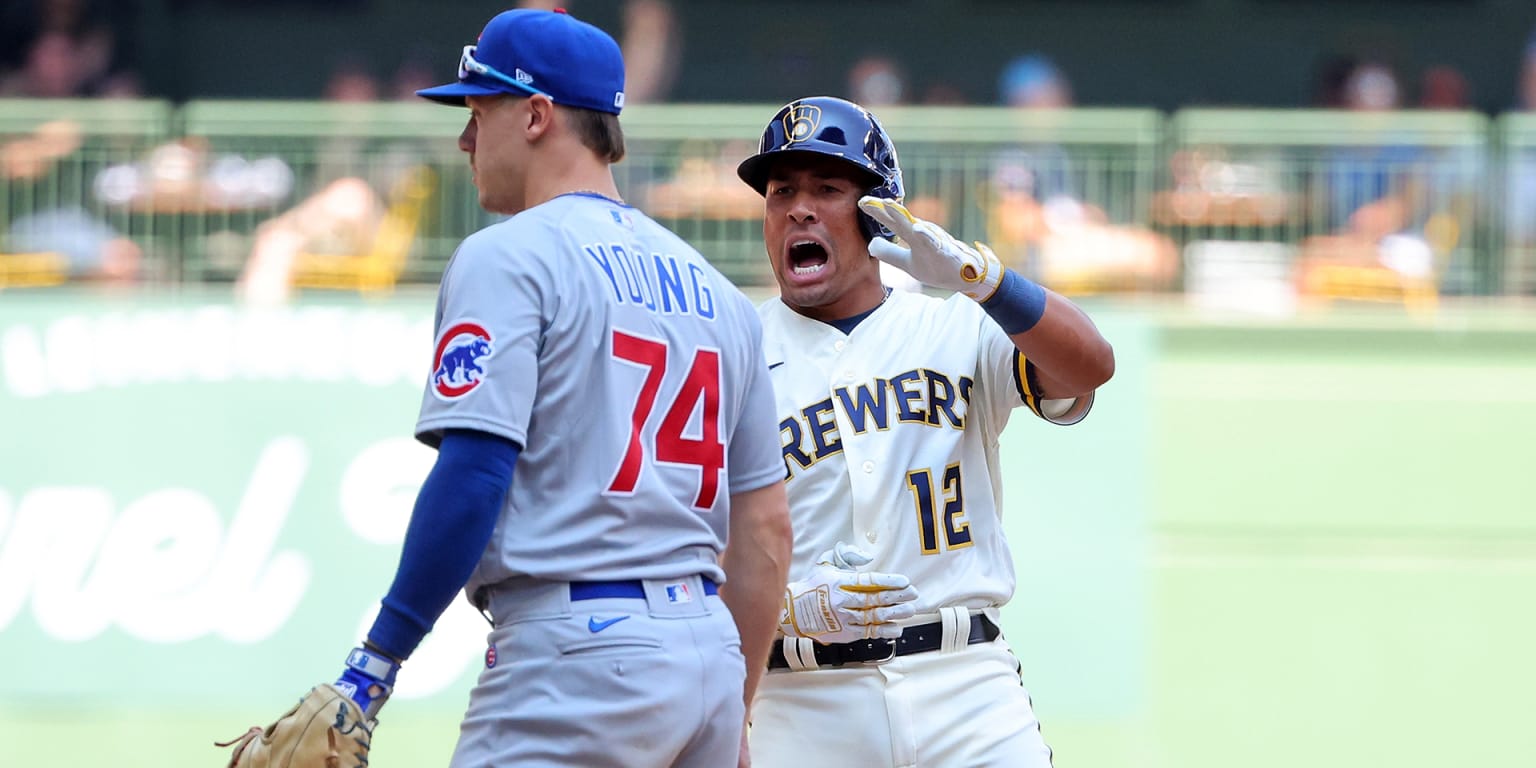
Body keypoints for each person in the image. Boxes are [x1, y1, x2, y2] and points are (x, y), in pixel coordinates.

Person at [322, 9, 792, 767]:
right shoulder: (722, 297)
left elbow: (473, 475)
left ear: (537, 115)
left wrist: (375, 663)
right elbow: (766, 531)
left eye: (479, 111)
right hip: (706, 651)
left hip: (577, 655)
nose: (466, 138)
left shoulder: (507, 257)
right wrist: (730, 707)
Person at [735, 96, 1115, 767]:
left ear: (879, 214)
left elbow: (1091, 365)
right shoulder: (730, 353)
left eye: (828, 188)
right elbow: (675, 537)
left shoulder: (956, 328)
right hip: (801, 701)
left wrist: (986, 281)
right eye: (781, 191)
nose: (799, 208)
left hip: (965, 687)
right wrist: (784, 608)